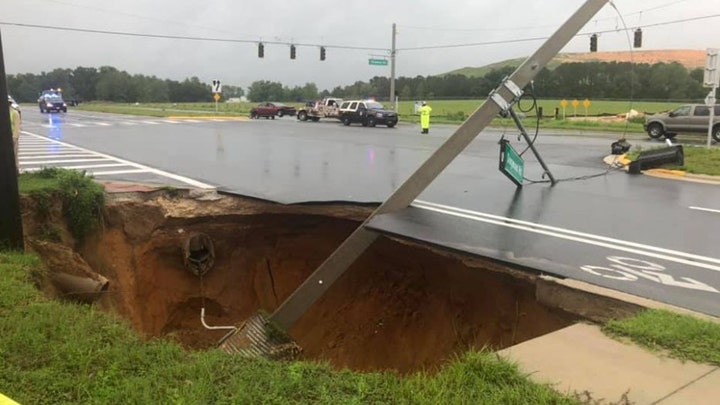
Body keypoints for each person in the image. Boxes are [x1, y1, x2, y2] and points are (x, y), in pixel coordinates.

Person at [9, 104, 21, 172]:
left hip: (12, 136)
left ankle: (16, 170)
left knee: (14, 154)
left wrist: (15, 137)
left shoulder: (14, 112)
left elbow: (17, 126)